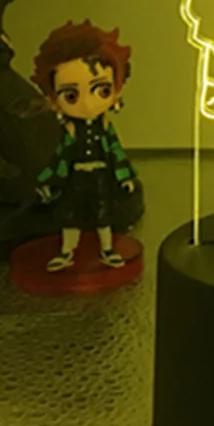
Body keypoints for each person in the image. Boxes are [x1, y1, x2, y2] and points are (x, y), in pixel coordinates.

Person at [31, 21, 137, 271]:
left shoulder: (105, 129)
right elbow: (59, 158)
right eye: (71, 96)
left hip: (100, 177)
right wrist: (47, 181)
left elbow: (116, 152)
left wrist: (125, 177)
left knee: (103, 215)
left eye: (101, 91)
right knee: (69, 216)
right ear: (54, 98)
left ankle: (107, 249)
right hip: (75, 179)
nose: (87, 104)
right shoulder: (69, 133)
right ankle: (67, 252)